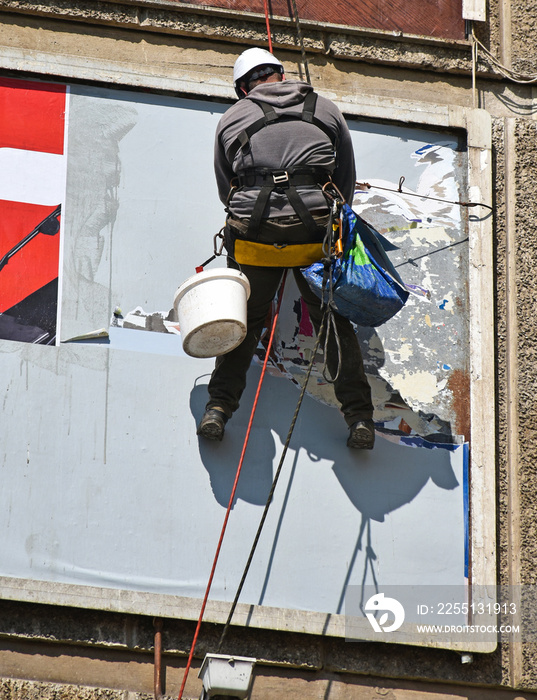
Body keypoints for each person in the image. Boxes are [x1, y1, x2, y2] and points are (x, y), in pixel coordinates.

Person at [197, 47, 375, 449]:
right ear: (281, 74)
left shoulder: (232, 118)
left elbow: (228, 188)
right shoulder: (325, 109)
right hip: (315, 236)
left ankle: (219, 408)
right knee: (331, 320)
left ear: (243, 88)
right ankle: (359, 417)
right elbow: (344, 180)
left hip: (255, 238)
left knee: (243, 321)